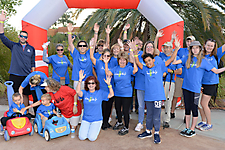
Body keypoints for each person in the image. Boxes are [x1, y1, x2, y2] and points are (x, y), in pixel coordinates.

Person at [173, 41, 225, 137]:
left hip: (195, 89)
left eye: (197, 48)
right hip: (185, 87)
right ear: (191, 49)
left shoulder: (203, 60)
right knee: (187, 109)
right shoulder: (187, 59)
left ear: (200, 49)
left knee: (194, 109)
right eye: (193, 48)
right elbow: (174, 61)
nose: (195, 49)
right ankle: (187, 127)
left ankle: (192, 129)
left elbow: (216, 71)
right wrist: (176, 49)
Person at [134, 38, 181, 144]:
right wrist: (134, 51)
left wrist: (177, 48)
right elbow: (137, 61)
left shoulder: (160, 67)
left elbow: (171, 58)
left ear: (153, 60)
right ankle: (148, 131)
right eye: (146, 62)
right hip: (148, 97)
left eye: (149, 61)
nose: (148, 63)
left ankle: (156, 133)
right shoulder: (145, 69)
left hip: (157, 96)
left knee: (156, 116)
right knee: (149, 115)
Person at [0, 11, 35, 107]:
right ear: (19, 36)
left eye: (25, 36)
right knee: (15, 95)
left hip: (27, 75)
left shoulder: (31, 48)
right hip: (15, 74)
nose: (23, 37)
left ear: (27, 38)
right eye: (21, 36)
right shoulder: (13, 46)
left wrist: (33, 76)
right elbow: (2, 36)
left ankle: (26, 112)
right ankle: (15, 113)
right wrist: (1, 22)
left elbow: (33, 63)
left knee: (25, 95)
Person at [105, 51, 138, 135]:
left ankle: (126, 127)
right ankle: (120, 122)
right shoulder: (115, 68)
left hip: (127, 93)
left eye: (124, 60)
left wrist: (134, 60)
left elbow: (135, 70)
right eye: (120, 60)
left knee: (126, 111)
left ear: (126, 61)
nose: (122, 61)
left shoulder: (129, 68)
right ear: (118, 60)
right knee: (117, 109)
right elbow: (107, 73)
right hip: (117, 93)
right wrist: (106, 63)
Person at [155, 31, 182, 128]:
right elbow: (154, 49)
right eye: (165, 47)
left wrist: (171, 71)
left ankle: (166, 120)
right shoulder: (160, 56)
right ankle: (156, 118)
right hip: (159, 81)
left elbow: (180, 71)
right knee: (157, 100)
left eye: (168, 47)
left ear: (172, 49)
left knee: (168, 101)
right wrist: (157, 38)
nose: (166, 49)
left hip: (170, 82)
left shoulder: (176, 57)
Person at [77, 70, 114, 141]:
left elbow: (111, 95)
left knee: (92, 138)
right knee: (82, 137)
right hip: (86, 119)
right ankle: (88, 128)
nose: (91, 85)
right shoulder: (85, 92)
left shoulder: (100, 93)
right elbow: (78, 92)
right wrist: (80, 80)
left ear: (95, 84)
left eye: (92, 83)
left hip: (97, 119)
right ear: (87, 84)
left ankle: (93, 128)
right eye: (89, 83)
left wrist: (109, 85)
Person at [196, 39, 225, 131]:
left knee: (204, 103)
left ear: (214, 47)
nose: (209, 47)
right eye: (208, 45)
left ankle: (209, 123)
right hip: (201, 83)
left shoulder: (216, 54)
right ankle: (203, 121)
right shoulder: (201, 55)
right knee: (199, 104)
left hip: (211, 83)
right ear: (204, 45)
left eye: (211, 46)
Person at [90, 39, 117, 130]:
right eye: (104, 55)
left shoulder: (113, 63)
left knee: (109, 107)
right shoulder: (98, 63)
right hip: (100, 88)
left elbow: (108, 73)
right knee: (102, 107)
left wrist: (106, 63)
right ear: (101, 56)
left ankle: (106, 122)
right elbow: (91, 57)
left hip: (110, 88)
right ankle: (101, 123)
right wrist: (91, 46)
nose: (106, 57)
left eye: (108, 56)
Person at [171, 35, 196, 119]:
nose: (189, 43)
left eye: (191, 41)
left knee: (187, 99)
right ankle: (172, 112)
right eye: (188, 41)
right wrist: (174, 43)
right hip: (180, 77)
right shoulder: (181, 50)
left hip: (189, 79)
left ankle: (186, 116)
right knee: (175, 95)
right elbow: (172, 54)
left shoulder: (196, 53)